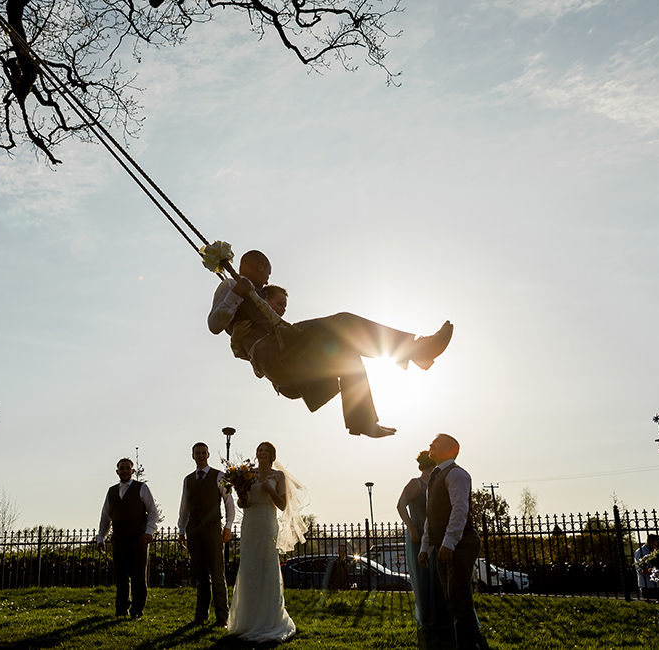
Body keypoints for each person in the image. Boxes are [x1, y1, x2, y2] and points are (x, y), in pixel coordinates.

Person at [207, 249, 454, 439]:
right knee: (344, 322)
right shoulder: (231, 285)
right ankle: (415, 350)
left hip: (286, 362)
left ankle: (363, 421)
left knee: (347, 353)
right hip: (274, 356)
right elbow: (214, 324)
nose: (266, 279)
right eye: (267, 274)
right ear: (261, 266)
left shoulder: (258, 296)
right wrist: (236, 293)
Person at [226, 441, 307, 643]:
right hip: (250, 523)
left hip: (267, 523)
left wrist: (270, 491)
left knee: (266, 566)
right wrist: (241, 500)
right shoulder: (247, 474)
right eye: (259, 450)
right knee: (249, 566)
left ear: (272, 456)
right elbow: (241, 501)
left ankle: (269, 618)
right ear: (256, 454)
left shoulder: (277, 476)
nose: (262, 453)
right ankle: (247, 620)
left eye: (266, 451)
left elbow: (282, 505)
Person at [418, 434, 488, 650]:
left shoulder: (456, 474)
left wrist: (449, 543)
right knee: (453, 600)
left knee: (459, 598)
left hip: (461, 543)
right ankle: (475, 643)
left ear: (452, 449)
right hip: (443, 545)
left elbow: (459, 509)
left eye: (436, 442)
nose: (430, 444)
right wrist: (425, 546)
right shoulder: (435, 477)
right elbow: (432, 515)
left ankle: (468, 646)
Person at [177, 442, 237, 627]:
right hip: (193, 530)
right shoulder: (187, 480)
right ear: (192, 456)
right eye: (197, 453)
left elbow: (229, 502)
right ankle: (201, 615)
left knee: (218, 574)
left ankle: (222, 617)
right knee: (201, 576)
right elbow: (184, 507)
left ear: (208, 454)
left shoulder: (219, 476)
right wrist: (181, 530)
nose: (201, 455)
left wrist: (227, 527)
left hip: (213, 529)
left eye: (204, 452)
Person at [96, 457, 159, 619]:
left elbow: (152, 512)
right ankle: (121, 608)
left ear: (133, 471)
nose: (124, 471)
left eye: (127, 468)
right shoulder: (111, 491)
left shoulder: (141, 488)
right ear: (117, 472)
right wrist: (101, 538)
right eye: (121, 469)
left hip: (138, 538)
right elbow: (105, 516)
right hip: (118, 539)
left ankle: (137, 610)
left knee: (138, 575)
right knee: (121, 575)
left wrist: (149, 531)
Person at [398, 450, 438, 626]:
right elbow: (400, 506)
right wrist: (412, 530)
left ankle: (440, 616)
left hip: (435, 533)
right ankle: (426, 617)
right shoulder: (416, 483)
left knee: (437, 574)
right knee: (422, 576)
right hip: (418, 532)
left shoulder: (438, 482)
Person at [633, 534, 659, 600]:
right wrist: (656, 571)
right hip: (647, 586)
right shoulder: (640, 552)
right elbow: (642, 570)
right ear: (652, 542)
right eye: (657, 544)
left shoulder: (657, 551)